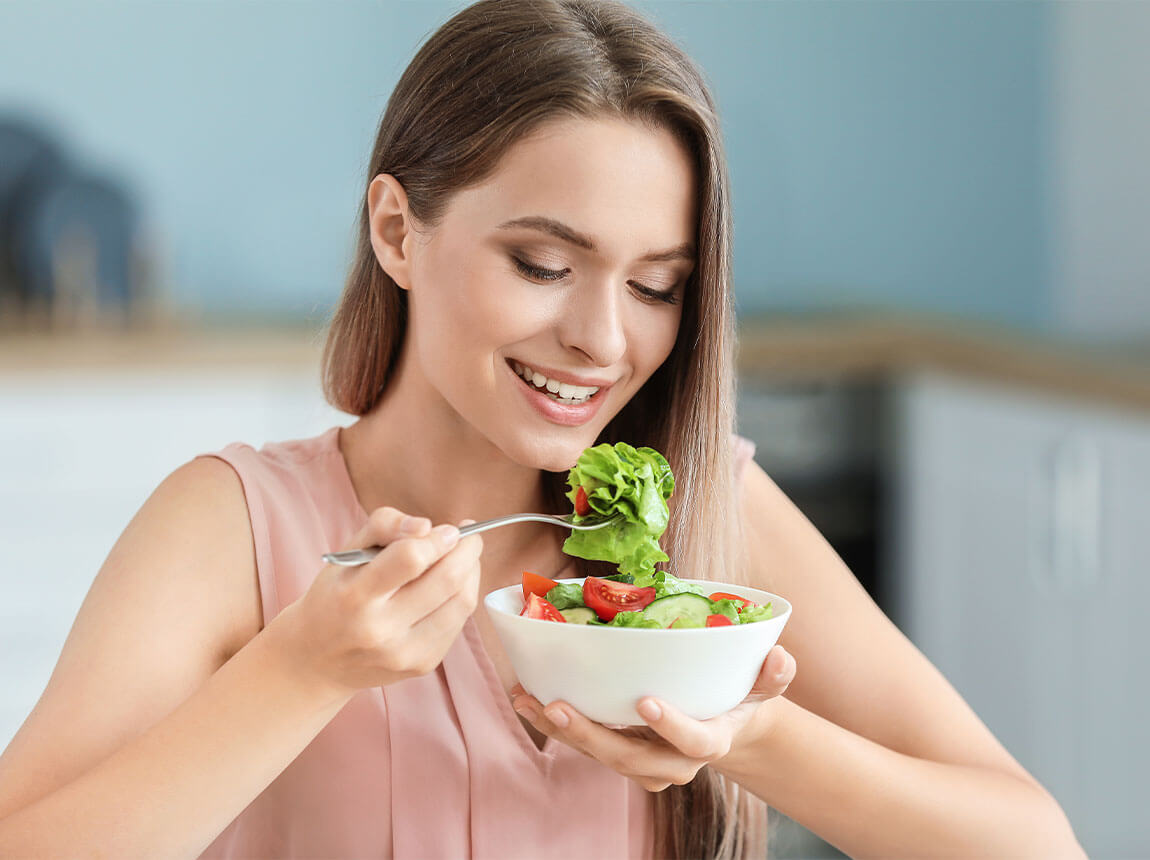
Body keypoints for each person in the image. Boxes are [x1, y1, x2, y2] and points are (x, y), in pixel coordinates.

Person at [0, 0, 1084, 857]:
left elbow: (1032, 843)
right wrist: (300, 670)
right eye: (544, 265)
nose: (602, 338)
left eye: (658, 285)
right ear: (396, 230)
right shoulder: (232, 527)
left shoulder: (710, 504)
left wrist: (747, 735)